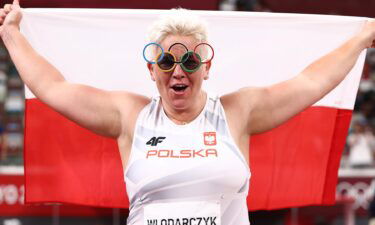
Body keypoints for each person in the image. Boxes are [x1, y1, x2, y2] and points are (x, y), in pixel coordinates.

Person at [1, 1, 375, 224]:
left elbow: (310, 82)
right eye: (166, 61)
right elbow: (52, 87)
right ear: (152, 70)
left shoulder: (237, 112)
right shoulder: (129, 116)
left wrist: (361, 38)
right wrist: (12, 35)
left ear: (206, 67)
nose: (178, 71)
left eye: (190, 61)